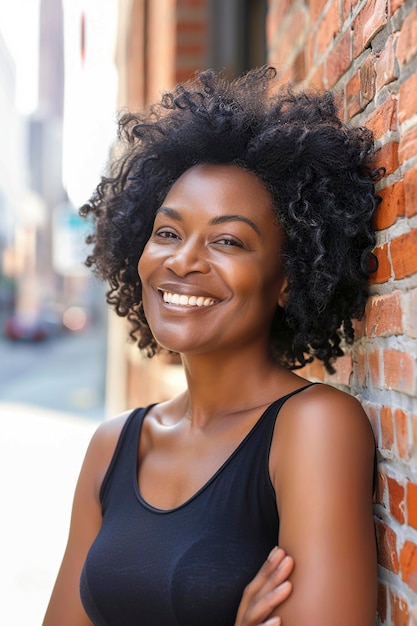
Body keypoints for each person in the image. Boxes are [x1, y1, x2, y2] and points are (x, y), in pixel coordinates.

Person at [43, 66, 381, 626]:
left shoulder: (314, 427)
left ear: (288, 277)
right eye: (168, 233)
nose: (182, 261)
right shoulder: (114, 445)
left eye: (228, 240)